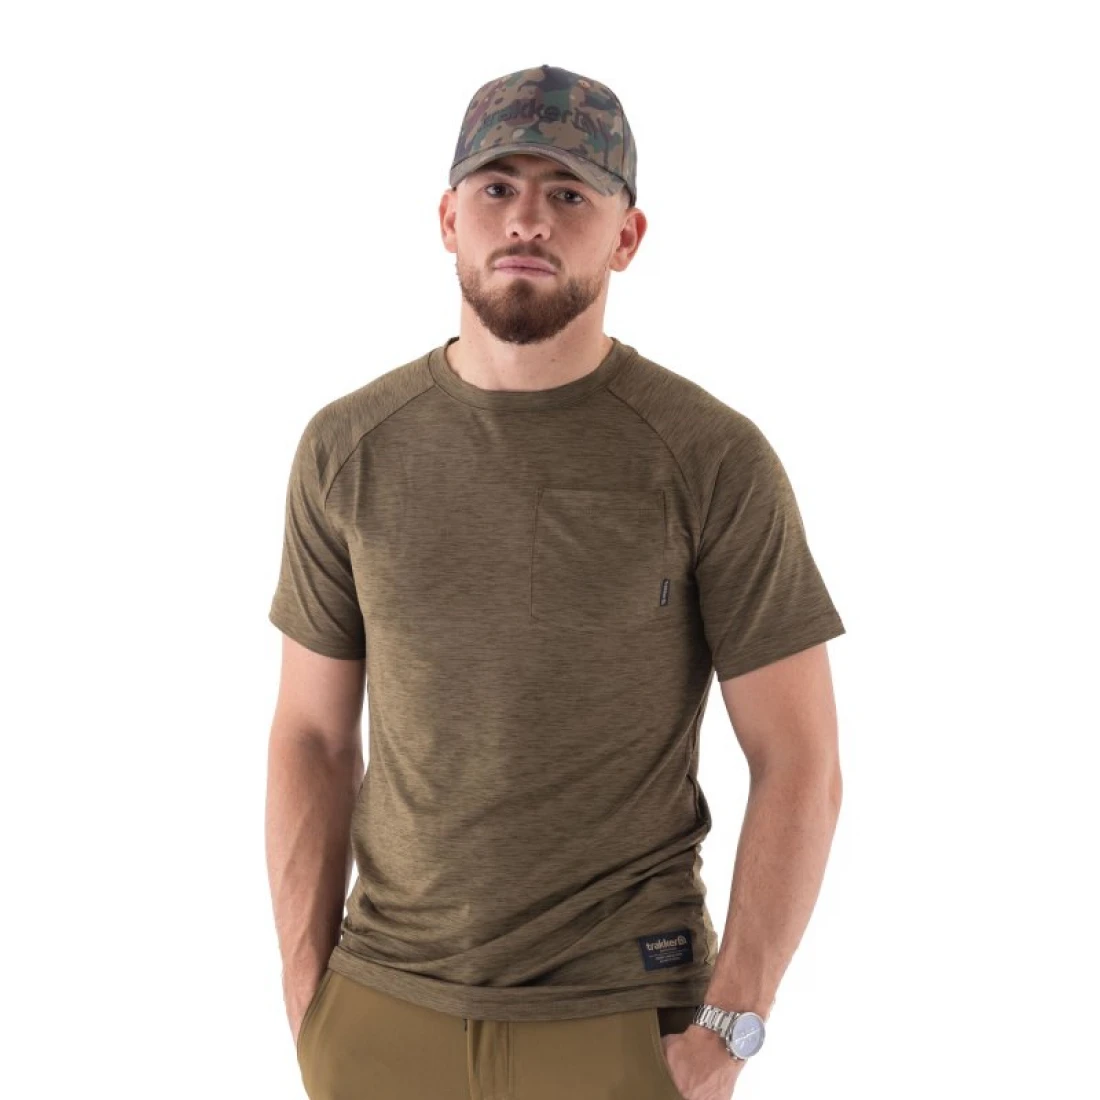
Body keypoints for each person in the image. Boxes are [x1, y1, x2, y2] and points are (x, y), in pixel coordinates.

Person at [265, 63, 846, 1100]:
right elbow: (310, 733)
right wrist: (311, 999)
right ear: (449, 219)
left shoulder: (710, 457)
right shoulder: (348, 449)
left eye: (569, 193)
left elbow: (798, 756)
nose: (527, 218)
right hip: (380, 1014)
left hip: (623, 1017)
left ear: (626, 236)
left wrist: (728, 1027)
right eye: (497, 186)